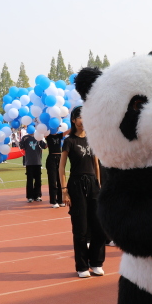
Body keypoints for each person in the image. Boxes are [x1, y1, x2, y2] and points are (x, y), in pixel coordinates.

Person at [59, 106, 106, 278]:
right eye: (80, 117)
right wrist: (64, 191)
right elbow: (61, 167)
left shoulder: (92, 139)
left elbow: (96, 164)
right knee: (81, 229)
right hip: (76, 185)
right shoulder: (69, 141)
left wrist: (98, 186)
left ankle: (96, 262)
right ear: (73, 120)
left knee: (99, 227)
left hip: (93, 185)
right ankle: (82, 266)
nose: (83, 120)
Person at [20, 129, 47, 203]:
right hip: (29, 162)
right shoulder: (25, 138)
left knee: (38, 180)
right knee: (30, 180)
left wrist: (47, 137)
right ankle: (30, 196)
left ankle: (37, 195)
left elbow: (44, 146)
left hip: (37, 162)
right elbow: (21, 146)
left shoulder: (38, 137)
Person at [45, 131, 64, 208]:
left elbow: (68, 131)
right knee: (52, 180)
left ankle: (60, 200)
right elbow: (42, 132)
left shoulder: (59, 135)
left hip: (59, 158)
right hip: (51, 158)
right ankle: (53, 201)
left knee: (60, 180)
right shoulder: (48, 136)